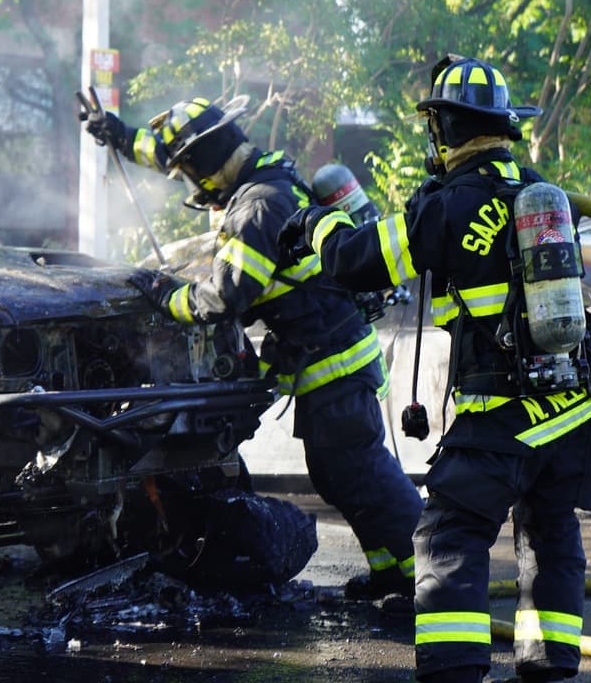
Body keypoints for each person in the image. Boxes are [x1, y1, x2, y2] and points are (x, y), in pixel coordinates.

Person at [278, 55, 591, 682]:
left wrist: (315, 222)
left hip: (504, 412)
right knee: (548, 528)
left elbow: (356, 261)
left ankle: (454, 670)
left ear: (445, 129)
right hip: (572, 405)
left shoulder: (451, 205)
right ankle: (549, 659)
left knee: (449, 537)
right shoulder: (538, 189)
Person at [81, 96, 424, 604]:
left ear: (206, 161)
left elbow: (225, 296)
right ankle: (393, 572)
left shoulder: (258, 205)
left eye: (190, 172)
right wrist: (120, 133)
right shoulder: (254, 176)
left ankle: (430, 576)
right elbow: (178, 153)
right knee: (339, 479)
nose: (190, 185)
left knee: (363, 475)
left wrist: (164, 295)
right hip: (323, 361)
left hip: (335, 364)